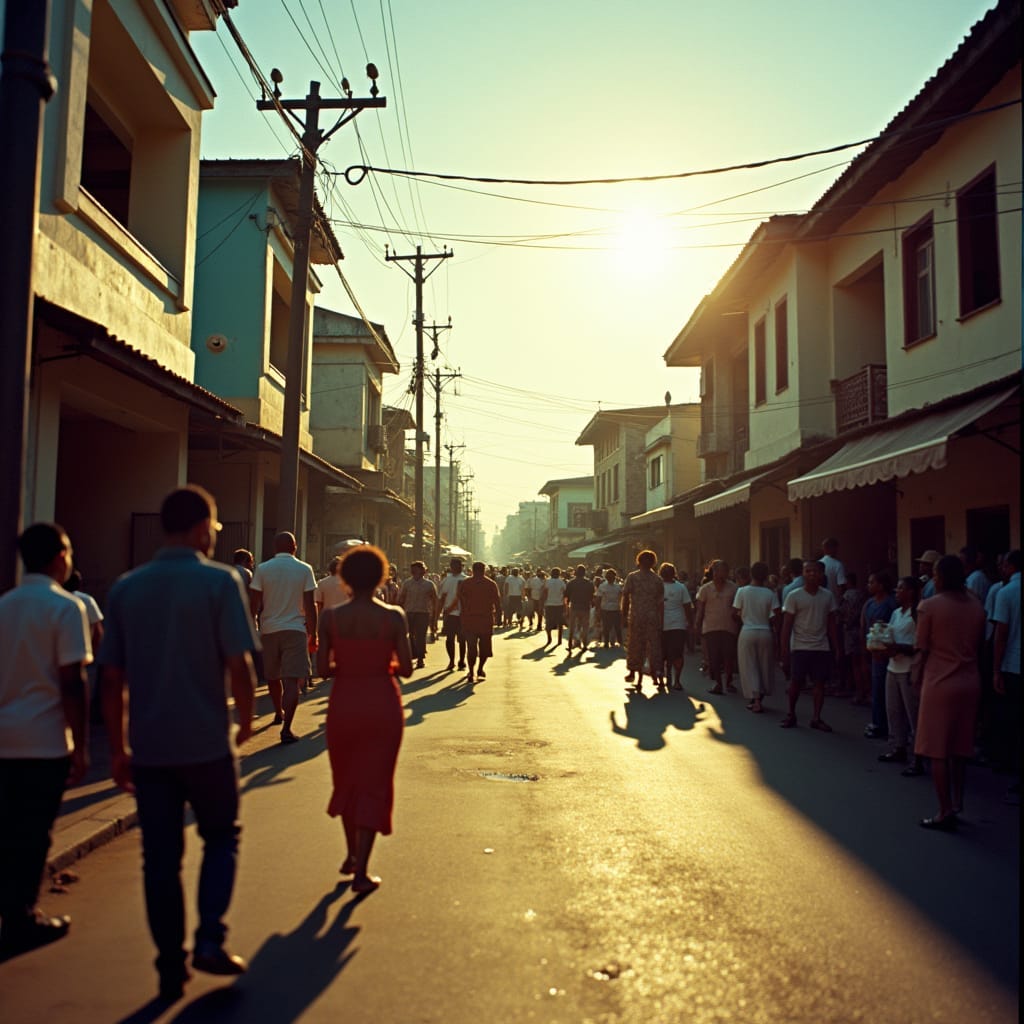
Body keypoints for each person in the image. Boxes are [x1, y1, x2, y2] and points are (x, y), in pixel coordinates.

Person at [99, 486, 257, 1001]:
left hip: (150, 746)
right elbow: (239, 662)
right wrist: (246, 720)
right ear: (197, 527)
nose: (215, 534)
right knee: (221, 838)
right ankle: (210, 937)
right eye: (213, 525)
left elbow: (112, 675)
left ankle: (170, 962)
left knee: (159, 858)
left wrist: (119, 747)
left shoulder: (126, 588)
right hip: (207, 741)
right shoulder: (220, 581)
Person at [0, 524, 90, 960]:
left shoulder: (5, 605)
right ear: (58, 556)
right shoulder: (65, 607)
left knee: (7, 828)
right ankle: (22, 918)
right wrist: (82, 743)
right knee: (33, 832)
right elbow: (73, 682)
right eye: (69, 550)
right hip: (44, 739)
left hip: (4, 737)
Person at [316, 546, 412, 894]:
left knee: (346, 779)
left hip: (344, 703)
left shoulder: (330, 618)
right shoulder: (393, 616)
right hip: (383, 705)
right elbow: (407, 667)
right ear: (382, 577)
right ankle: (362, 872)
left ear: (343, 579)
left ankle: (350, 854)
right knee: (375, 781)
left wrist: (350, 664)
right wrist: (378, 664)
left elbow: (322, 669)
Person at [913, 555, 986, 830]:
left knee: (937, 749)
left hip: (939, 682)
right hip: (969, 681)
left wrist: (915, 678)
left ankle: (944, 811)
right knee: (960, 747)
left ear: (940, 576)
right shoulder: (976, 606)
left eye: (934, 572)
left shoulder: (929, 606)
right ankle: (957, 802)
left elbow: (922, 649)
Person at [250, 533, 318, 743]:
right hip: (295, 630)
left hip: (269, 629)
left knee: (272, 677)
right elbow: (310, 605)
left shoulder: (262, 569)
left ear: (274, 547)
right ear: (294, 547)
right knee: (291, 680)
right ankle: (287, 728)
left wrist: (253, 627)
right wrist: (313, 633)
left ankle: (278, 713)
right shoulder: (304, 569)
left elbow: (254, 604)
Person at [779, 560, 838, 731]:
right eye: (808, 571)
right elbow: (786, 625)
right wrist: (784, 650)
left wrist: (837, 648)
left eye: (815, 571)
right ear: (803, 573)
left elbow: (831, 624)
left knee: (819, 684)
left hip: (821, 646)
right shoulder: (794, 596)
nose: (811, 574)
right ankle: (791, 714)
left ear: (821, 575)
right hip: (799, 646)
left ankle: (816, 718)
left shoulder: (827, 596)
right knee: (796, 683)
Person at [877, 576, 925, 775]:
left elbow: (919, 645)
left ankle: (918, 756)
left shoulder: (918, 613)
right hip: (893, 666)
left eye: (901, 588)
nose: (897, 592)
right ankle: (898, 746)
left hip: (909, 668)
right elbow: (892, 635)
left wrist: (899, 648)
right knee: (894, 710)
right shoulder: (897, 612)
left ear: (911, 592)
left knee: (913, 714)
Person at [991, 549, 1021, 790]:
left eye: (1004, 565)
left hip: (1013, 664)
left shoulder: (1006, 592)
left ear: (1011, 567)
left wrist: (996, 670)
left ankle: (1009, 767)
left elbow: (1000, 634)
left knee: (1011, 719)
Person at [733, 561, 779, 713]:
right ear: (766, 576)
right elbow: (775, 617)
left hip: (747, 631)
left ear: (751, 574)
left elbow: (735, 612)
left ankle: (755, 699)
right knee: (764, 666)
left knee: (749, 666)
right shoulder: (770, 593)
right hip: (765, 631)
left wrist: (744, 617)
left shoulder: (742, 591)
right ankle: (762, 695)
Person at [621, 550, 664, 692]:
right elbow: (660, 603)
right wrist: (661, 620)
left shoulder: (632, 577)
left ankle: (635, 673)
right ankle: (656, 673)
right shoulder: (657, 579)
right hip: (652, 617)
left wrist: (623, 615)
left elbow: (626, 597)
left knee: (636, 645)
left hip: (636, 616)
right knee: (654, 646)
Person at [861, 572, 897, 740]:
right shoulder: (869, 603)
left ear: (881, 585)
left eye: (872, 582)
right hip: (872, 648)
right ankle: (877, 722)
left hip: (886, 651)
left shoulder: (890, 603)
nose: (869, 585)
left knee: (884, 689)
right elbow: (863, 624)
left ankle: (885, 725)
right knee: (876, 687)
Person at [696, 560, 739, 696]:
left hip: (729, 627)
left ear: (727, 573)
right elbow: (700, 609)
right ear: (712, 572)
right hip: (710, 627)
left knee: (728, 656)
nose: (719, 574)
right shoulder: (705, 589)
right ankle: (718, 683)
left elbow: (738, 608)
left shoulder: (734, 588)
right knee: (713, 656)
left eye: (722, 571)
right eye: (716, 571)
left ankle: (729, 681)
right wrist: (696, 625)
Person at [457, 562, 503, 681]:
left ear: (472, 570)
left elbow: (460, 600)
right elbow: (497, 602)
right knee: (484, 648)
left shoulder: (466, 583)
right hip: (485, 620)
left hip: (469, 620)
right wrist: (499, 618)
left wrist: (463, 615)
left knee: (471, 647)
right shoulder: (491, 584)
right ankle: (479, 669)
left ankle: (472, 672)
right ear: (484, 570)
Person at [660, 563, 694, 691]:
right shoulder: (681, 587)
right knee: (677, 653)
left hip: (665, 625)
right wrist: (690, 623)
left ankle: (666, 675)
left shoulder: (660, 587)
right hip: (677, 625)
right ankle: (676, 680)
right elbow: (687, 607)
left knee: (664, 653)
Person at [398, 561, 437, 669]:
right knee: (410, 635)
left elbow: (435, 600)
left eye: (416, 569)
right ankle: (413, 654)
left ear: (423, 570)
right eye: (412, 569)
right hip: (409, 612)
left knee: (420, 636)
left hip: (423, 613)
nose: (414, 571)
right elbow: (401, 598)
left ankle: (420, 658)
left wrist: (434, 616)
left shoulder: (429, 584)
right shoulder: (407, 583)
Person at [437, 558, 468, 671]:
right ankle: (451, 661)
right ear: (450, 566)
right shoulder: (446, 580)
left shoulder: (466, 580)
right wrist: (437, 615)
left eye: (458, 565)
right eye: (453, 565)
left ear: (461, 566)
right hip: (449, 615)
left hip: (462, 614)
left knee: (462, 639)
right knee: (449, 639)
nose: (455, 567)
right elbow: (441, 598)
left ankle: (461, 660)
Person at [564, 565, 596, 655]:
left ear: (576, 572)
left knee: (572, 627)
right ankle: (584, 645)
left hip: (574, 607)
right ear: (585, 572)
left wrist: (566, 608)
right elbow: (592, 596)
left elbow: (566, 597)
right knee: (585, 627)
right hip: (585, 607)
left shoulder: (571, 583)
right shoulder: (589, 583)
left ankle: (570, 645)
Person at [540, 567, 567, 647]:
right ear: (559, 574)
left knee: (548, 622)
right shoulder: (562, 582)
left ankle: (549, 638)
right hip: (559, 605)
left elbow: (545, 593)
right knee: (560, 623)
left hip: (549, 604)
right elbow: (565, 594)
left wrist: (542, 604)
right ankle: (559, 640)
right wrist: (565, 605)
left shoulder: (547, 581)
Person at [597, 568, 624, 647]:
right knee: (615, 627)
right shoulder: (618, 587)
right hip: (612, 609)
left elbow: (598, 598)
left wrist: (598, 609)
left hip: (608, 609)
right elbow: (622, 597)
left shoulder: (603, 586)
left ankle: (607, 642)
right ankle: (619, 642)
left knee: (608, 627)